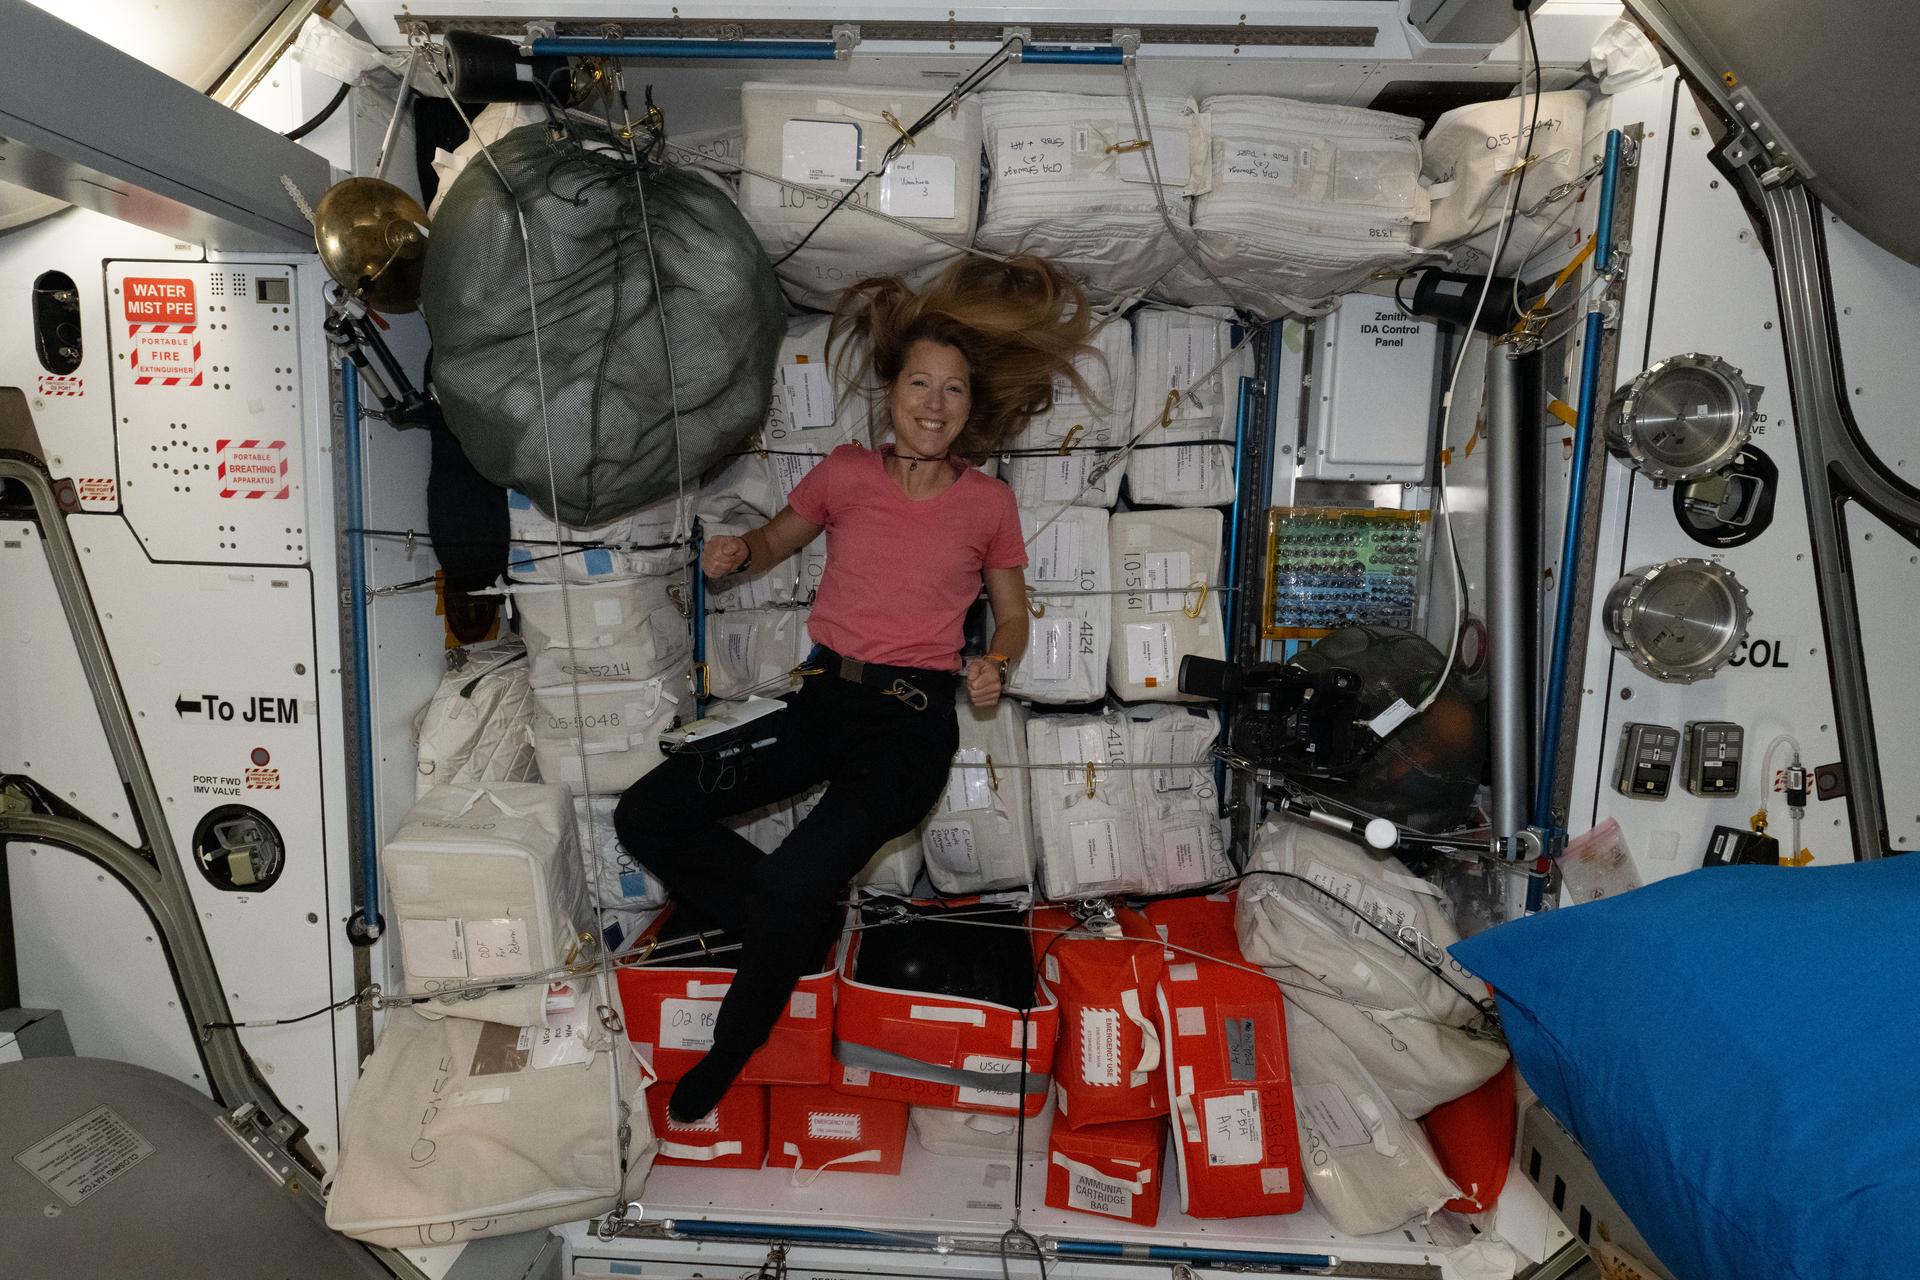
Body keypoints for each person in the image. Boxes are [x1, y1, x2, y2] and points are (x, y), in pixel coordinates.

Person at [614, 255, 1098, 1121]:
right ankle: (789, 926)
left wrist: (1000, 661)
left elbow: (1013, 616)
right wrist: (734, 554)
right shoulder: (844, 474)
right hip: (821, 702)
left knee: (802, 876)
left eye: (953, 390)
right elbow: (771, 543)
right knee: (645, 815)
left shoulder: (988, 503)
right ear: (893, 390)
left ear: (968, 407)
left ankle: (733, 1043)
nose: (934, 403)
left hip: (909, 730)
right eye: (921, 382)